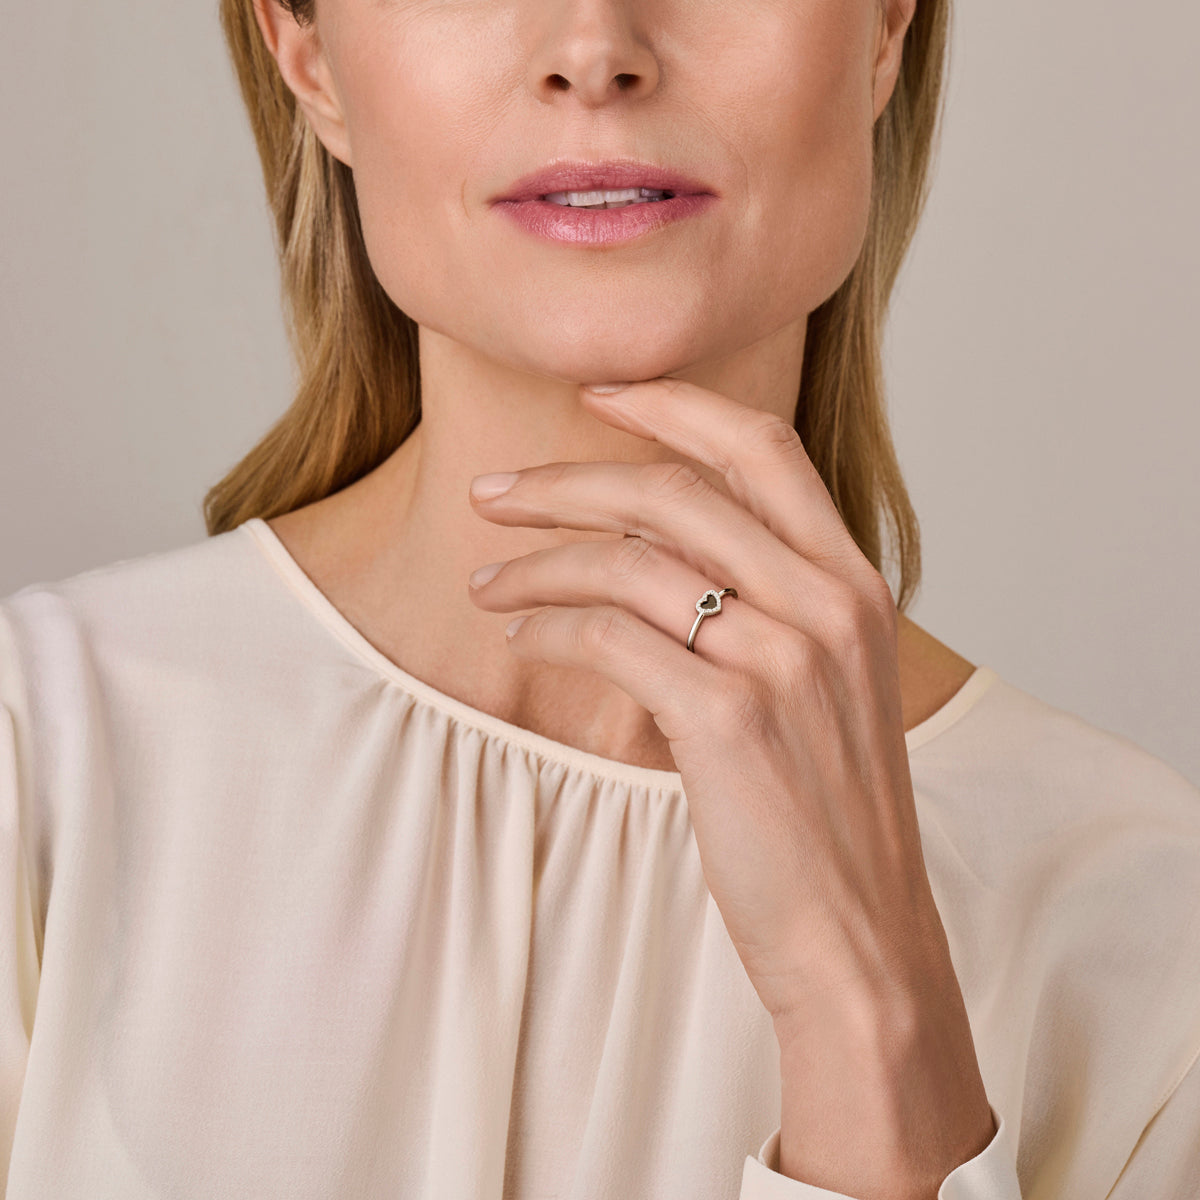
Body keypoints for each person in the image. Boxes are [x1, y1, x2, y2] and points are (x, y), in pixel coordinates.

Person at [1, 0, 1197, 1195]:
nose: (593, 50)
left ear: (886, 28)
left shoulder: (1150, 942)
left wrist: (868, 1014)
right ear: (305, 51)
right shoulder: (41, 762)